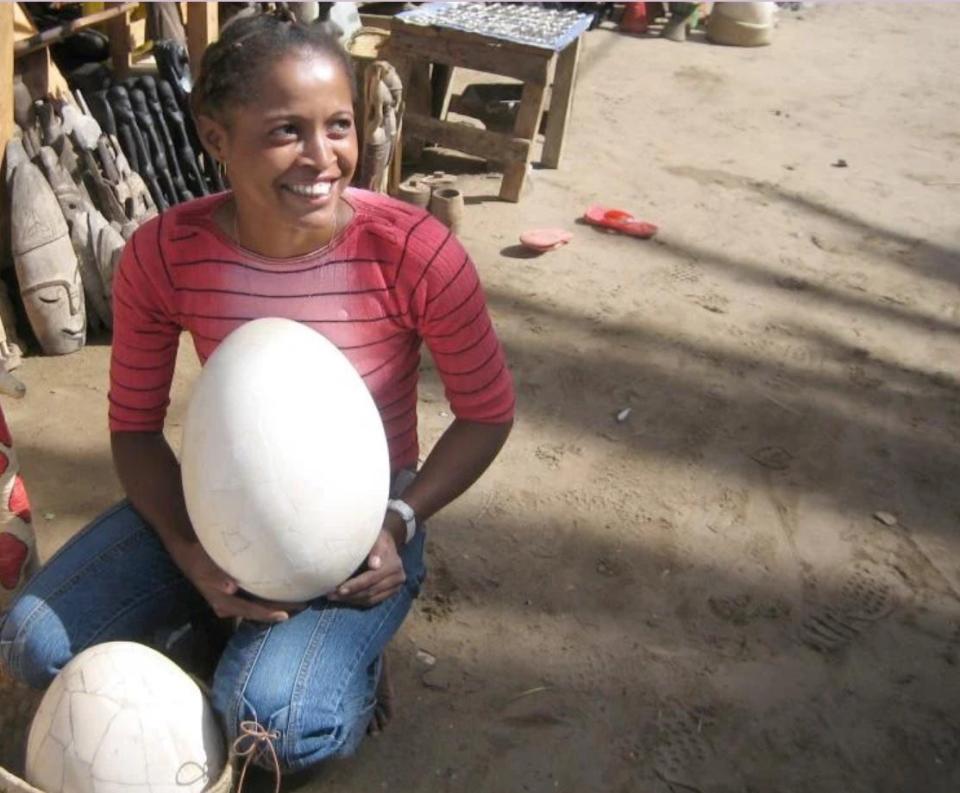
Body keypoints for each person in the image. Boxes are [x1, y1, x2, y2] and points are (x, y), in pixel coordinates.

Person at [0, 11, 514, 775]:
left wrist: (401, 520)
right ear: (216, 139)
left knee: (272, 722)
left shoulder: (412, 251)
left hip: (363, 534)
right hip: (214, 509)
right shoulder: (164, 254)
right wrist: (187, 547)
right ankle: (223, 624)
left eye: (337, 124)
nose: (323, 156)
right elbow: (136, 431)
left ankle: (335, 656)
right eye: (285, 131)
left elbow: (487, 413)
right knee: (30, 640)